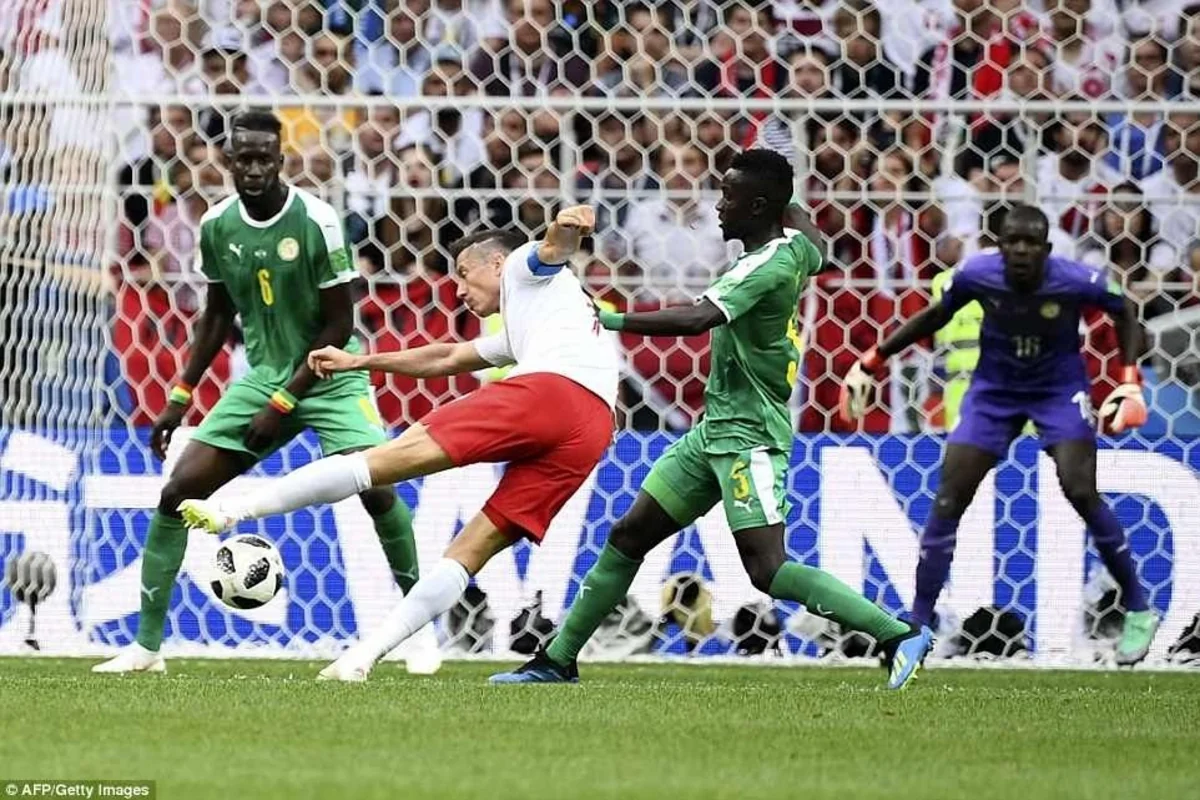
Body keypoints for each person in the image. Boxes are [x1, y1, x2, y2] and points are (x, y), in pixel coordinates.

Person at [490, 150, 933, 690]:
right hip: (712, 432)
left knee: (767, 570)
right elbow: (814, 240)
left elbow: (699, 318)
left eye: (728, 196)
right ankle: (558, 660)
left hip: (750, 437)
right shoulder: (796, 247)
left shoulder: (762, 266)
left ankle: (897, 634)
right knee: (629, 535)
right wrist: (790, 193)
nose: (717, 205)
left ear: (759, 206)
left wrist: (610, 317)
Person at [179, 207, 619, 682]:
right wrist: (359, 362)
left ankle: (233, 512)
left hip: (552, 392)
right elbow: (446, 357)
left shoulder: (519, 266)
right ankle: (361, 658)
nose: (459, 289)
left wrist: (567, 224)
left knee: (377, 463)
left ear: (496, 264)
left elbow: (553, 248)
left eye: (464, 274)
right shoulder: (536, 322)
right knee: (470, 551)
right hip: (593, 427)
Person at [93, 111, 425, 675]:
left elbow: (339, 323)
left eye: (262, 159)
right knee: (178, 492)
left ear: (280, 161)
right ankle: (147, 649)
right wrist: (180, 396)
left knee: (375, 487)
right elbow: (216, 316)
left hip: (332, 372)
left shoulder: (317, 220)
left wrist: (284, 403)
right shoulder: (218, 225)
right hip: (264, 377)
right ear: (227, 161)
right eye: (242, 159)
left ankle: (418, 630)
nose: (252, 169)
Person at [839, 204, 1160, 666]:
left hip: (1057, 392)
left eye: (1031, 243)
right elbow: (936, 314)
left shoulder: (1074, 279)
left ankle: (1138, 608)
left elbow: (1124, 309)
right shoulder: (977, 274)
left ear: (1047, 249)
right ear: (1000, 246)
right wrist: (872, 360)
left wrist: (1129, 380)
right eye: (1013, 242)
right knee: (949, 498)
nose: (1021, 251)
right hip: (994, 394)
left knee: (1080, 489)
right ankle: (917, 626)